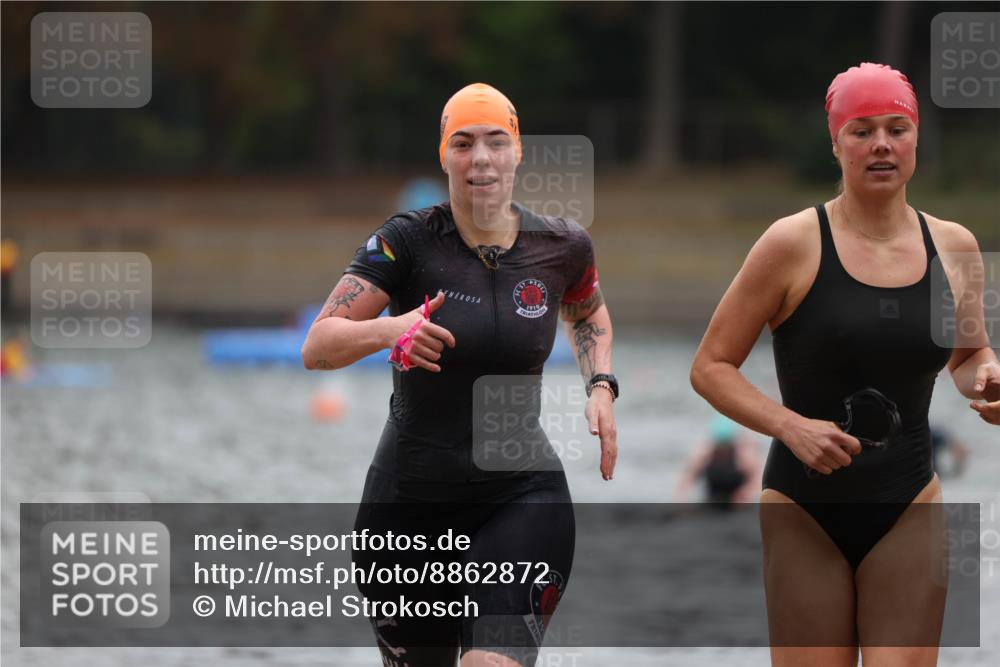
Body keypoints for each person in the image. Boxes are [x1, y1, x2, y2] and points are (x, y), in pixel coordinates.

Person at [689, 63, 1000, 666]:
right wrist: (790, 426)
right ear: (836, 144)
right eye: (861, 131)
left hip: (909, 499)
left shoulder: (955, 247)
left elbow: (968, 355)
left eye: (897, 128)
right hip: (805, 508)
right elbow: (711, 366)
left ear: (916, 138)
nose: (881, 143)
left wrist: (986, 377)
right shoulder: (791, 243)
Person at [301, 83, 617, 667]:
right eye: (464, 143)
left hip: (521, 497)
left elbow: (587, 308)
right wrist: (390, 330)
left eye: (497, 142)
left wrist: (600, 385)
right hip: (407, 511)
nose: (481, 159)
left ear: (518, 151)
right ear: (444, 154)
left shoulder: (562, 246)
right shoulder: (407, 242)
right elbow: (318, 346)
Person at [674, 413, 762, 505]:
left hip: (738, 501)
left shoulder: (744, 454)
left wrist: (746, 492)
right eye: (720, 448)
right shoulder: (704, 453)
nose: (723, 452)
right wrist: (681, 501)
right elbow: (687, 480)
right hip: (713, 499)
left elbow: (757, 480)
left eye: (726, 448)